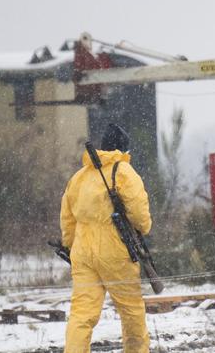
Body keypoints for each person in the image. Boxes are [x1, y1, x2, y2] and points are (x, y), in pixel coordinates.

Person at [61, 123, 151, 352]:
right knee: (131, 311)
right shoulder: (123, 172)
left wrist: (71, 246)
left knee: (81, 314)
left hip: (82, 251)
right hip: (115, 250)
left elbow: (67, 219)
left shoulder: (79, 177)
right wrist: (143, 229)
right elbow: (140, 215)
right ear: (123, 149)